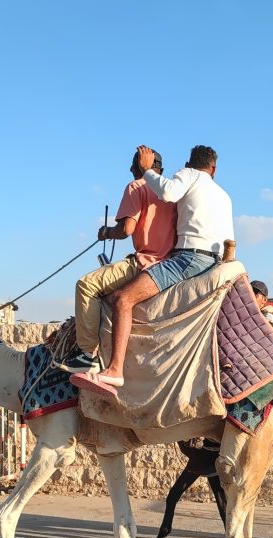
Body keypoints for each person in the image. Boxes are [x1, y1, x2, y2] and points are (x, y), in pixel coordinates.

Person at [72, 144, 234, 397]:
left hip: (177, 259)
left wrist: (106, 233)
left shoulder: (177, 180)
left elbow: (127, 229)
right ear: (214, 168)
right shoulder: (223, 195)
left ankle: (98, 362)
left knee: (114, 296)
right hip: (213, 260)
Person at [58, 149, 178, 374]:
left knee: (87, 285)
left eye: (132, 167)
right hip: (171, 266)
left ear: (138, 167)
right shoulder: (173, 192)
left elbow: (126, 230)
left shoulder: (136, 186)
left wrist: (107, 232)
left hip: (146, 261)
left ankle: (86, 354)